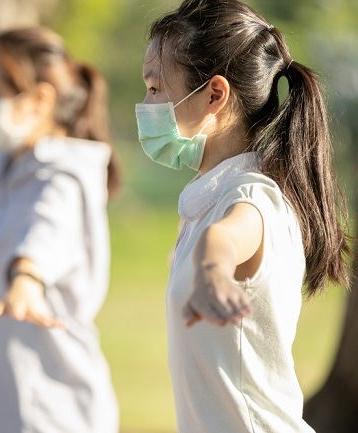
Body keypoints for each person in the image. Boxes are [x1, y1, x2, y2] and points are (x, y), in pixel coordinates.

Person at [134, 0, 351, 432]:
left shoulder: (253, 197)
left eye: (156, 88)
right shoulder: (212, 196)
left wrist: (212, 271)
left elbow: (229, 238)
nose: (145, 103)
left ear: (214, 94)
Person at [0, 27, 121, 433]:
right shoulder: (17, 169)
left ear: (39, 99)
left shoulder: (61, 182)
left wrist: (26, 279)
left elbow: (46, 232)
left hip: (48, 411)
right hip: (2, 406)